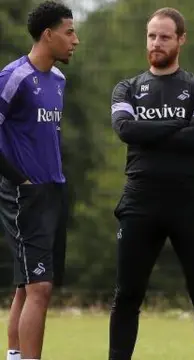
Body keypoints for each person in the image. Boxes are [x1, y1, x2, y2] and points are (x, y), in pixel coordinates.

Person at [108, 7, 194, 360]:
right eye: (151, 36)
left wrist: (151, 134)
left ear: (181, 40)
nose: (156, 43)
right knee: (127, 295)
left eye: (164, 36)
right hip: (140, 201)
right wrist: (178, 125)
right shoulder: (126, 87)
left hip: (190, 203)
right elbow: (126, 131)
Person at [0, 1, 78, 359]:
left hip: (53, 191)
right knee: (40, 286)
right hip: (24, 193)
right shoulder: (13, 77)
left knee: (27, 284)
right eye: (69, 32)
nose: (75, 40)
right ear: (48, 35)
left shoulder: (59, 80)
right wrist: (21, 181)